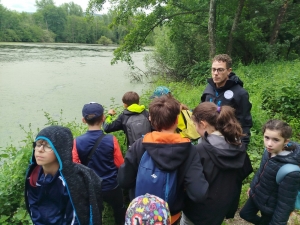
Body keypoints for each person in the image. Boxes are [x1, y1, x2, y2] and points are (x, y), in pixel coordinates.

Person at [118, 95, 209, 224]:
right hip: (171, 217)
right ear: (177, 120)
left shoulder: (139, 145)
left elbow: (124, 181)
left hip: (141, 216)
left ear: (151, 120)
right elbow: (198, 193)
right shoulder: (189, 150)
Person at [181, 102, 253, 225]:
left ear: (203, 124)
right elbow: (244, 171)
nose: (195, 128)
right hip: (221, 208)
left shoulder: (199, 151)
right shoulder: (239, 147)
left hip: (197, 212)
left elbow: (192, 186)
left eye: (194, 124)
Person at [25, 125, 103, 225]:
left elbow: (75, 218)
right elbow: (33, 208)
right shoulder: (33, 176)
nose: (40, 149)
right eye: (38, 144)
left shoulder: (73, 181)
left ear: (60, 150)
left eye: (48, 146)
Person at [72, 102, 126, 225]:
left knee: (96, 214)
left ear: (83, 120)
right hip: (111, 185)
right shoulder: (111, 139)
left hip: (91, 187)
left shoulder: (77, 142)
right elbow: (120, 163)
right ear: (103, 118)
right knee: (119, 208)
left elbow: (76, 165)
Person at [239, 119, 300, 225]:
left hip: (270, 206)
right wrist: (254, 186)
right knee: (245, 214)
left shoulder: (291, 171)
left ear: (286, 141)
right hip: (257, 195)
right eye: (266, 138)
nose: (269, 144)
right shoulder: (268, 151)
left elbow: (285, 203)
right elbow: (261, 171)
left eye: (276, 140)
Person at [200, 54, 252, 147]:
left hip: (227, 140)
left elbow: (244, 122)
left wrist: (243, 145)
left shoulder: (240, 93)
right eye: (213, 69)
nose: (216, 73)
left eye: (220, 70)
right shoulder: (209, 88)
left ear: (229, 71)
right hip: (206, 137)